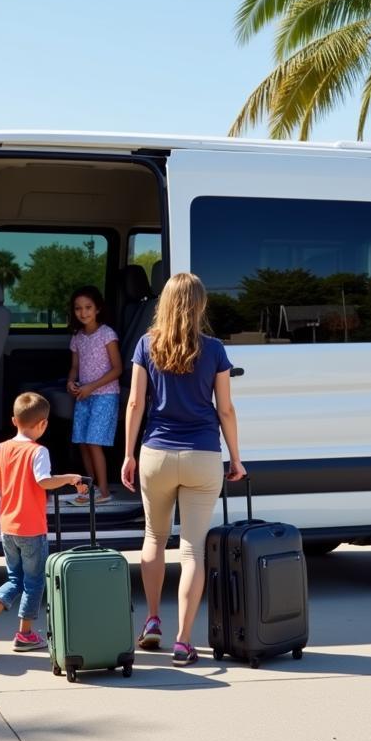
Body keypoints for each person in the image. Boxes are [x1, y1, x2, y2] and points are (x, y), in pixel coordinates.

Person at [121, 272, 246, 666]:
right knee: (192, 549)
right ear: (200, 305)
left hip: (156, 454)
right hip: (203, 455)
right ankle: (183, 640)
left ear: (165, 304)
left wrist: (128, 454)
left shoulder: (146, 345)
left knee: (154, 538)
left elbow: (135, 404)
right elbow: (225, 408)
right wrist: (237, 458)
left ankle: (153, 620)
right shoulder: (214, 349)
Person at [0, 392, 87, 659]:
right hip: (31, 529)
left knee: (14, 580)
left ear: (14, 420)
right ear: (43, 424)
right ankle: (25, 634)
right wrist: (68, 478)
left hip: (7, 528)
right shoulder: (39, 451)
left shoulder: (1, 448)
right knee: (33, 582)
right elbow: (43, 481)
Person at [65, 285, 122, 505]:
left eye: (88, 307)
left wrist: (92, 386)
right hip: (84, 395)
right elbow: (75, 366)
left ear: (97, 309)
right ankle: (91, 488)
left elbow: (117, 369)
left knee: (93, 442)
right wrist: (71, 382)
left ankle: (104, 491)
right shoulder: (77, 336)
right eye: (78, 308)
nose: (83, 312)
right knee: (82, 442)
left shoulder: (107, 334)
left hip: (105, 395)